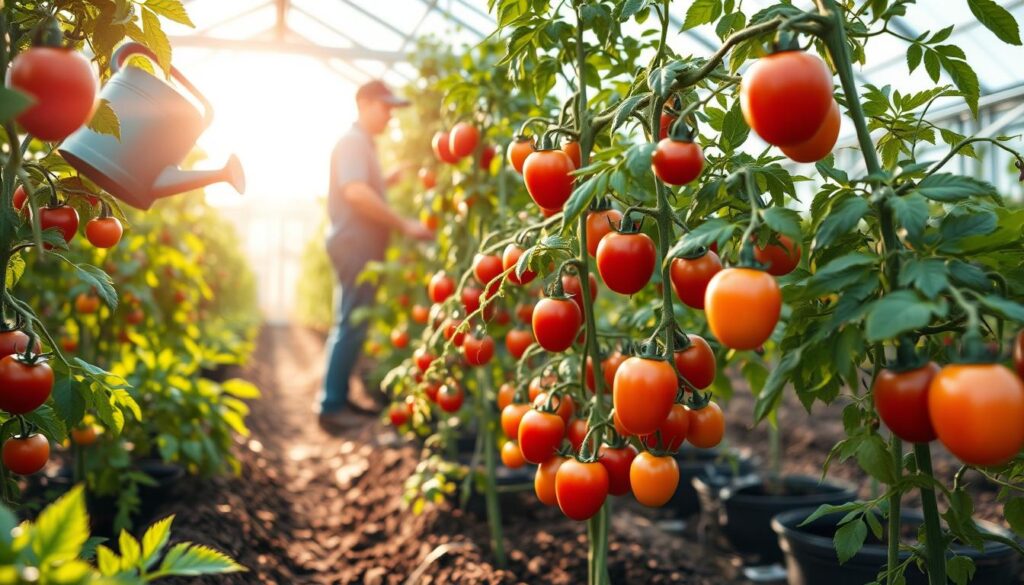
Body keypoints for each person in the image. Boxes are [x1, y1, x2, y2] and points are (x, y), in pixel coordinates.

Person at [319, 80, 433, 433]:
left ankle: (336, 398)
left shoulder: (362, 145)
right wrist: (403, 223)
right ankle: (332, 406)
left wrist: (386, 181)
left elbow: (362, 186)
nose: (390, 117)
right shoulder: (353, 143)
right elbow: (354, 192)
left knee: (349, 321)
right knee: (352, 323)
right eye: (385, 108)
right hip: (356, 244)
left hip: (355, 243)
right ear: (364, 104)